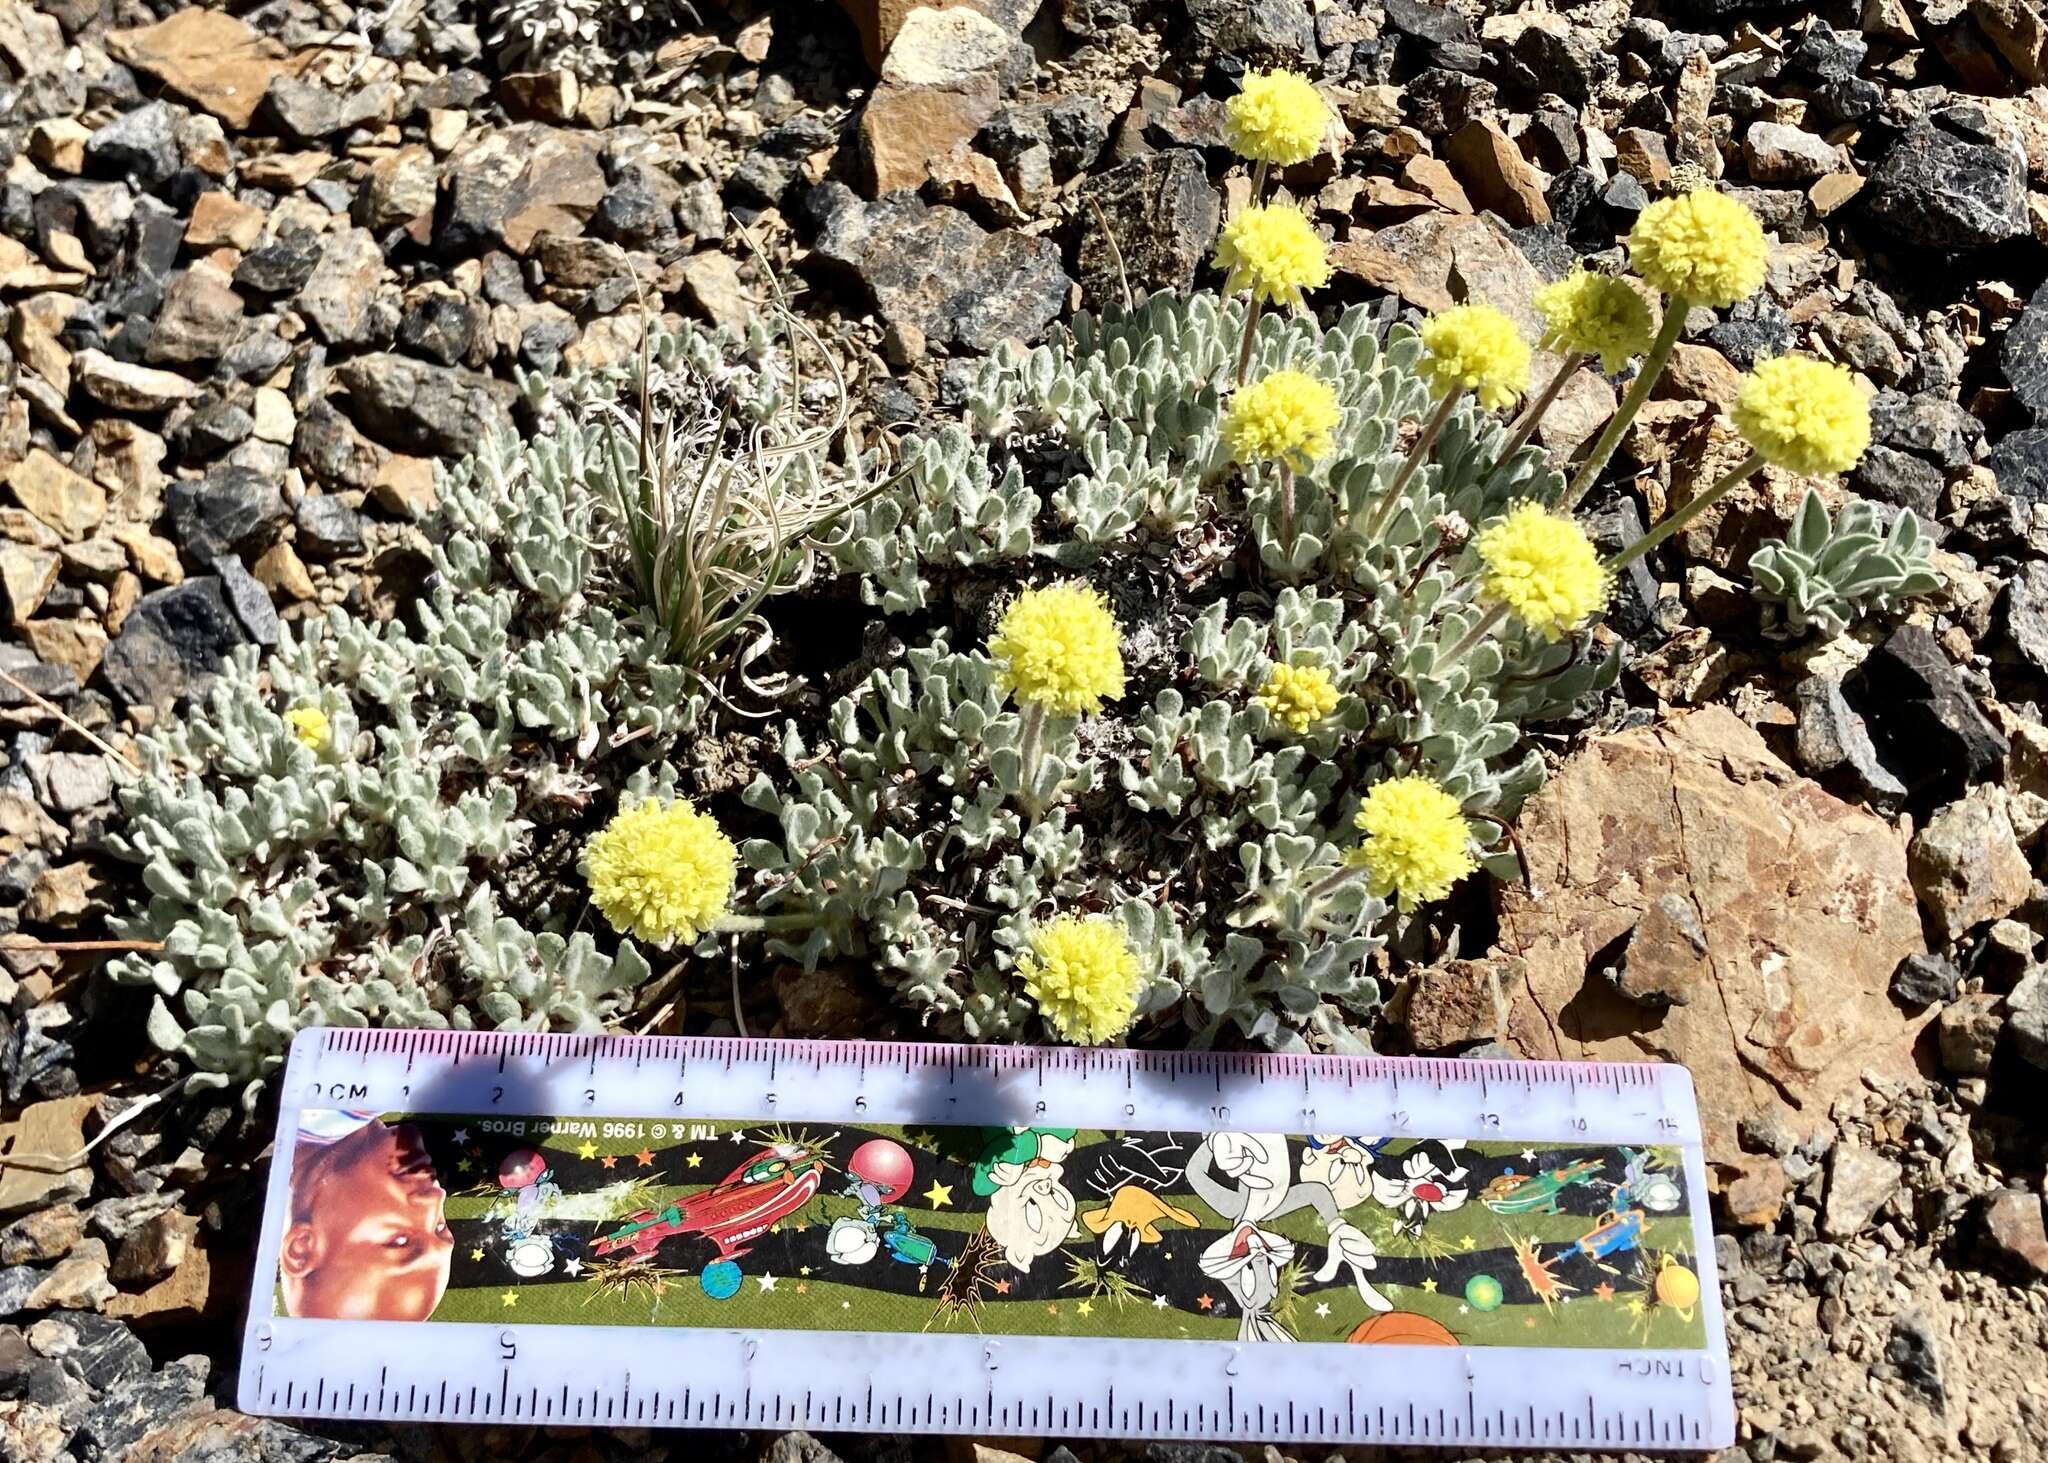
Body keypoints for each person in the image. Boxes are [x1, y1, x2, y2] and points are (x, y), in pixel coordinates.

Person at [279, 1112, 453, 1321]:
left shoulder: (333, 1107)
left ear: (301, 1247)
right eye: (439, 1228)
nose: (436, 1198)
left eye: (399, 1241)